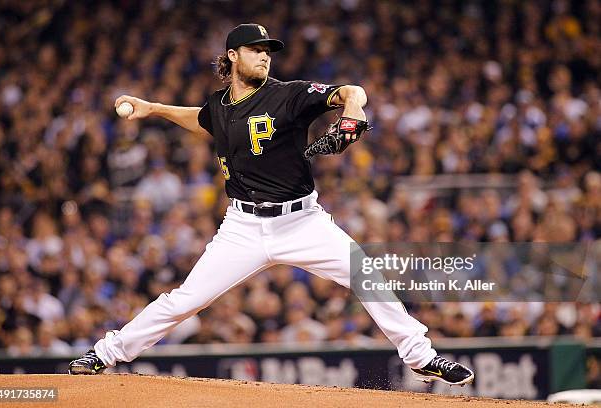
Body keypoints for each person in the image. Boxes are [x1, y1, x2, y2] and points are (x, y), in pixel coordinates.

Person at [69, 23, 474, 386]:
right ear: (232, 56)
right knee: (185, 300)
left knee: (366, 274)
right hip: (242, 227)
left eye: (268, 50)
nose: (264, 55)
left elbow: (353, 92)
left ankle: (422, 357)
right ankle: (105, 353)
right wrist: (154, 109)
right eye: (255, 48)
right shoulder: (220, 105)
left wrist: (352, 113)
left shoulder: (289, 95)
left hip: (303, 221)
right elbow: (204, 119)